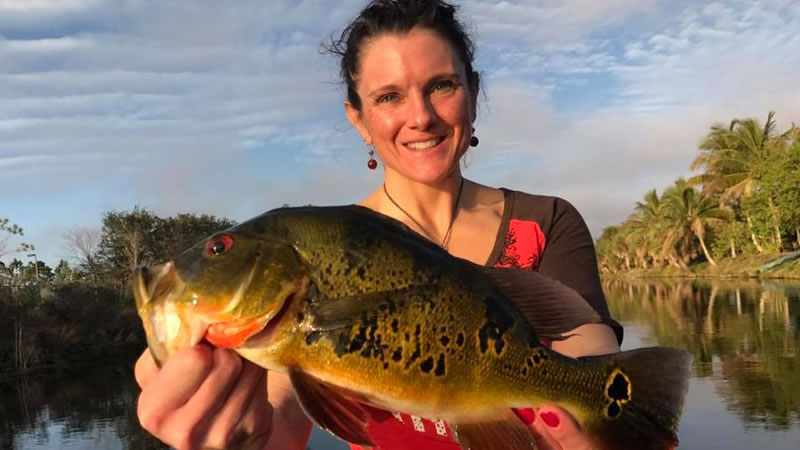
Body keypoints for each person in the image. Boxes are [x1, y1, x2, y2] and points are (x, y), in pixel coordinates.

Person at [134, 1, 622, 449]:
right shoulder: (324, 259)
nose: (420, 117)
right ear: (359, 119)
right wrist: (241, 434)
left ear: (473, 92)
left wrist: (605, 416)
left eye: (441, 86)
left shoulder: (546, 221)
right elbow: (280, 416)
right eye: (389, 97)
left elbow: (589, 350)